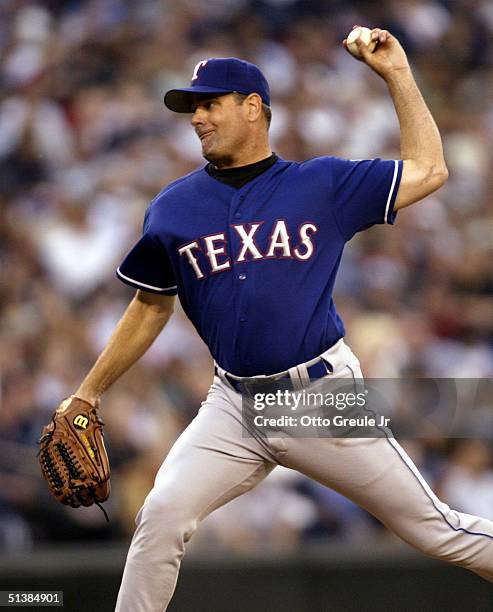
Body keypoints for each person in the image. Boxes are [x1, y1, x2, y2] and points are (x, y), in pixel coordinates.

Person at [70, 29, 493, 611]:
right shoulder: (172, 208)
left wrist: (396, 75)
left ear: (252, 108)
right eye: (192, 107)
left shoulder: (320, 184)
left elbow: (430, 169)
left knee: (434, 529)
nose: (197, 117)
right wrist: (87, 393)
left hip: (318, 396)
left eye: (209, 103)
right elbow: (151, 304)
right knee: (160, 518)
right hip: (231, 404)